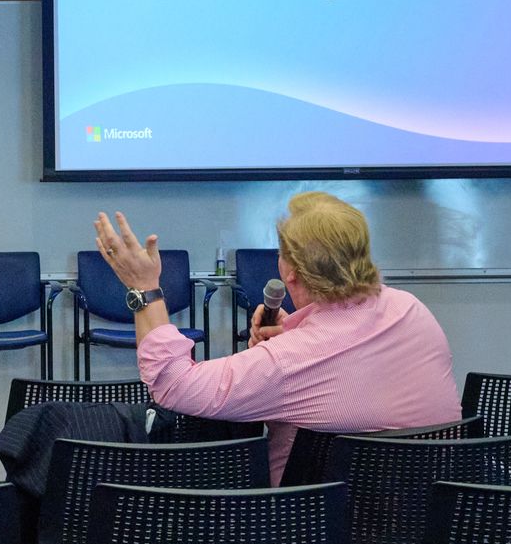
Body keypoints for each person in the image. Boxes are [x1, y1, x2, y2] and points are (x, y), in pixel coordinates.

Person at [93, 191, 458, 485]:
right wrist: (296, 333)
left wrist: (145, 289)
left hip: (302, 542)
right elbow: (347, 361)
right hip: (424, 541)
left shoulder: (289, 361)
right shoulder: (413, 312)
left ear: (292, 275)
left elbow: (174, 385)